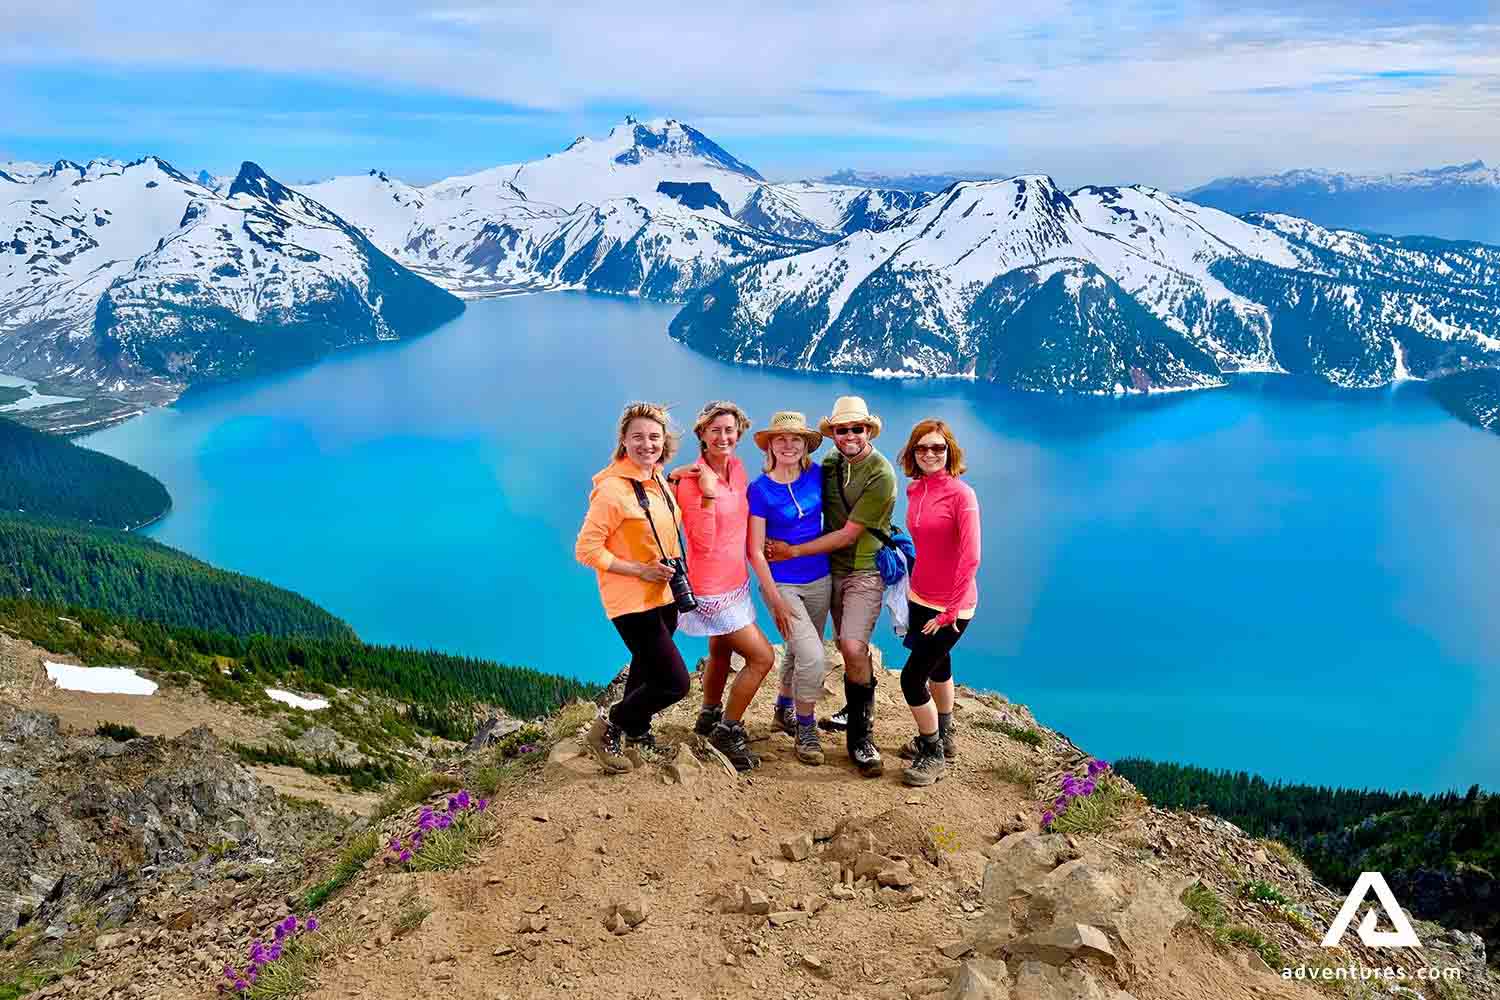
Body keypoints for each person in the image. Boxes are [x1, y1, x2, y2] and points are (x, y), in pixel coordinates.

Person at [766, 396, 895, 778]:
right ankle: (787, 707)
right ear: (833, 434)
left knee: (853, 646)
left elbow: (847, 535)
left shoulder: (881, 473)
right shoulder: (830, 464)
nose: (850, 435)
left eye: (857, 428)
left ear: (868, 430)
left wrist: (792, 551)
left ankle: (861, 735)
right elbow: (787, 480)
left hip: (862, 570)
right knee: (829, 644)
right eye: (842, 430)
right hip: (825, 571)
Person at [574, 402, 693, 774]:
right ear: (623, 440)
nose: (647, 444)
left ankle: (637, 730)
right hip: (631, 599)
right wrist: (639, 570)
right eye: (638, 437)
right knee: (675, 682)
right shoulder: (612, 491)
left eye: (654, 437)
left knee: (646, 665)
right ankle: (608, 727)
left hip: (663, 591)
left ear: (665, 442)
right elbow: (586, 550)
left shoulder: (658, 479)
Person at [669, 401, 776, 771]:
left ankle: (709, 714)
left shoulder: (738, 468)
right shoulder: (693, 482)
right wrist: (707, 491)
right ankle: (728, 731)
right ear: (701, 434)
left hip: (734, 582)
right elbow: (702, 541)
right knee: (763, 657)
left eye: (730, 430)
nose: (723, 436)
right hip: (711, 588)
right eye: (715, 430)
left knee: (720, 653)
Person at [894, 419, 981, 787]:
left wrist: (949, 611)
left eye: (938, 448)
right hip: (920, 596)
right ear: (913, 453)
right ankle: (945, 735)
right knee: (938, 665)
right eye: (922, 448)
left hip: (953, 606)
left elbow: (971, 557)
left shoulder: (962, 495)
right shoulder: (916, 490)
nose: (930, 454)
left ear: (950, 452)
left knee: (912, 678)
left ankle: (932, 753)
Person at [745, 412, 831, 765]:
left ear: (806, 445)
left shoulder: (818, 476)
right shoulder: (760, 490)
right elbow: (754, 550)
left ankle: (783, 709)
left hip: (820, 578)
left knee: (798, 650)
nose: (789, 445)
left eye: (796, 439)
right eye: (780, 439)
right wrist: (775, 598)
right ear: (770, 446)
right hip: (782, 583)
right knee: (813, 657)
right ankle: (806, 727)